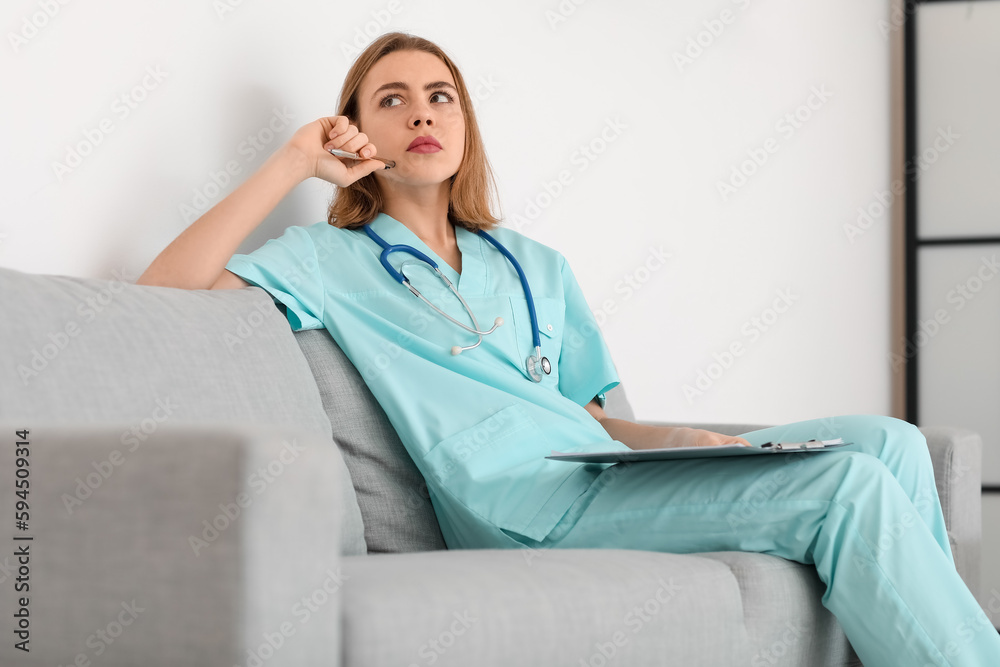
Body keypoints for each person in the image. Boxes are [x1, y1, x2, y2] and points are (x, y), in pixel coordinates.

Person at [137, 31, 1000, 667]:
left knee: (889, 441)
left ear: (465, 122)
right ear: (355, 133)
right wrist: (292, 161)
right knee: (845, 486)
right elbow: (165, 289)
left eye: (440, 95)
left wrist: (680, 442)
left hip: (601, 477)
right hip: (517, 508)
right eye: (389, 100)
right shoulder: (330, 261)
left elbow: (593, 420)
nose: (421, 114)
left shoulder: (536, 263)